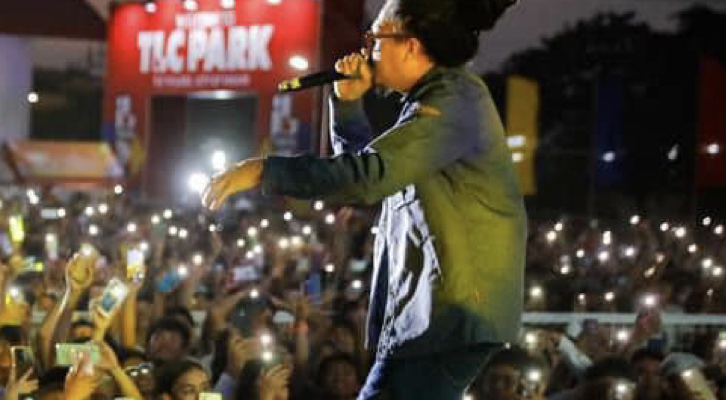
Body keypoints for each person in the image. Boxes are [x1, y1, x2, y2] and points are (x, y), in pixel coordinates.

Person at [201, 0, 522, 398]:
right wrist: (348, 104)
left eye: (376, 38)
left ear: (411, 44)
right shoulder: (438, 101)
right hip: (435, 314)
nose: (367, 49)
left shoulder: (454, 101)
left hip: (449, 315)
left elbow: (367, 177)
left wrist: (264, 170)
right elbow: (369, 176)